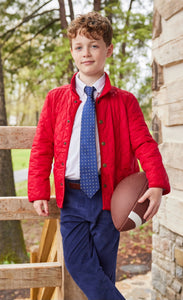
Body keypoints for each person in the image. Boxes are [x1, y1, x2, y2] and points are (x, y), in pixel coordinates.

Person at [28, 11, 170, 300]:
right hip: (72, 197)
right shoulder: (56, 99)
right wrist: (38, 191)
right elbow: (42, 147)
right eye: (79, 47)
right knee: (79, 263)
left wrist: (155, 182)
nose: (86, 53)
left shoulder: (125, 102)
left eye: (94, 45)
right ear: (72, 52)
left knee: (104, 269)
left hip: (110, 198)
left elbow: (144, 142)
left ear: (109, 50)